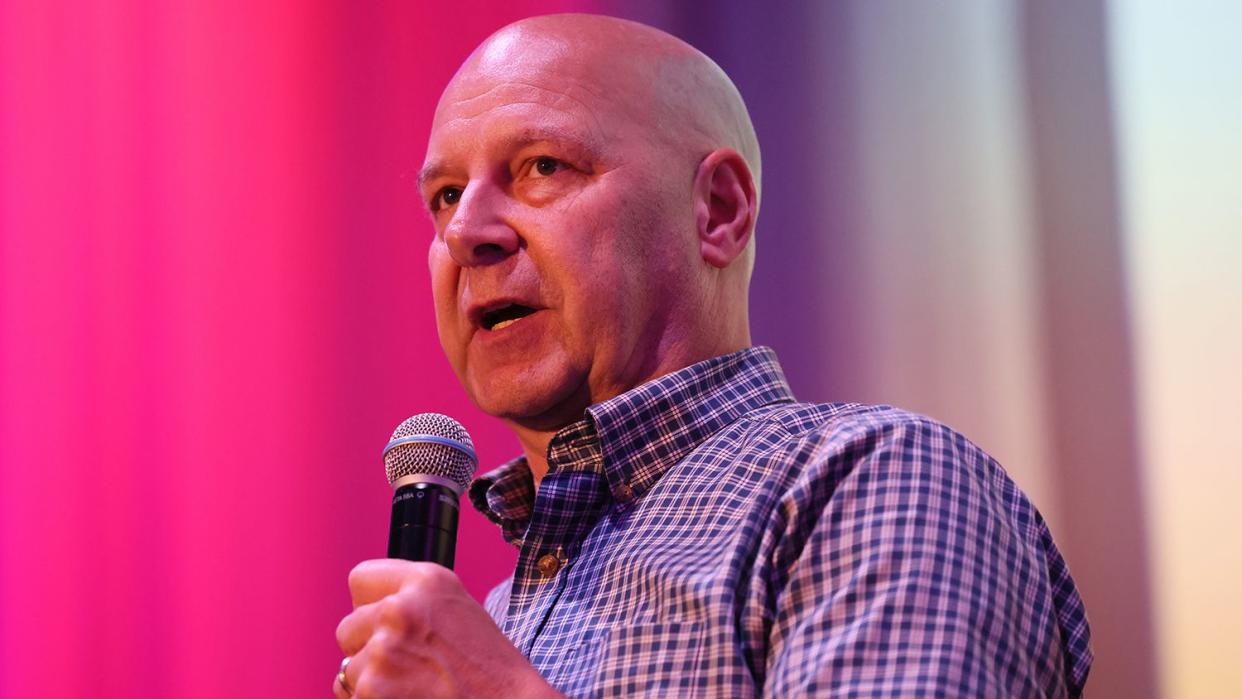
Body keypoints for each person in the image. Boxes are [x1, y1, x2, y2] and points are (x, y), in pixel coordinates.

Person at [334, 13, 1092, 698]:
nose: (466, 233)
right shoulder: (493, 619)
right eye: (444, 196)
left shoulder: (870, 481)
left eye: (542, 166)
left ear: (718, 211)